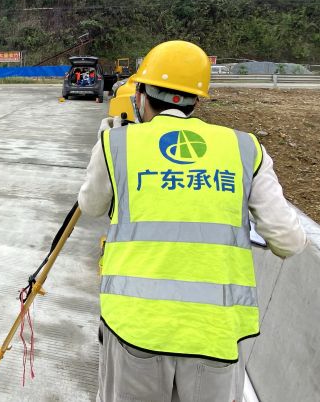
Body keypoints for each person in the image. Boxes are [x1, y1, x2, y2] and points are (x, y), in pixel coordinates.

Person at [78, 40, 309, 402]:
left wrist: (104, 144)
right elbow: (289, 241)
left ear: (140, 96)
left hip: (135, 327)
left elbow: (91, 206)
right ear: (197, 100)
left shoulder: (117, 144)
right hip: (214, 333)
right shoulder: (245, 148)